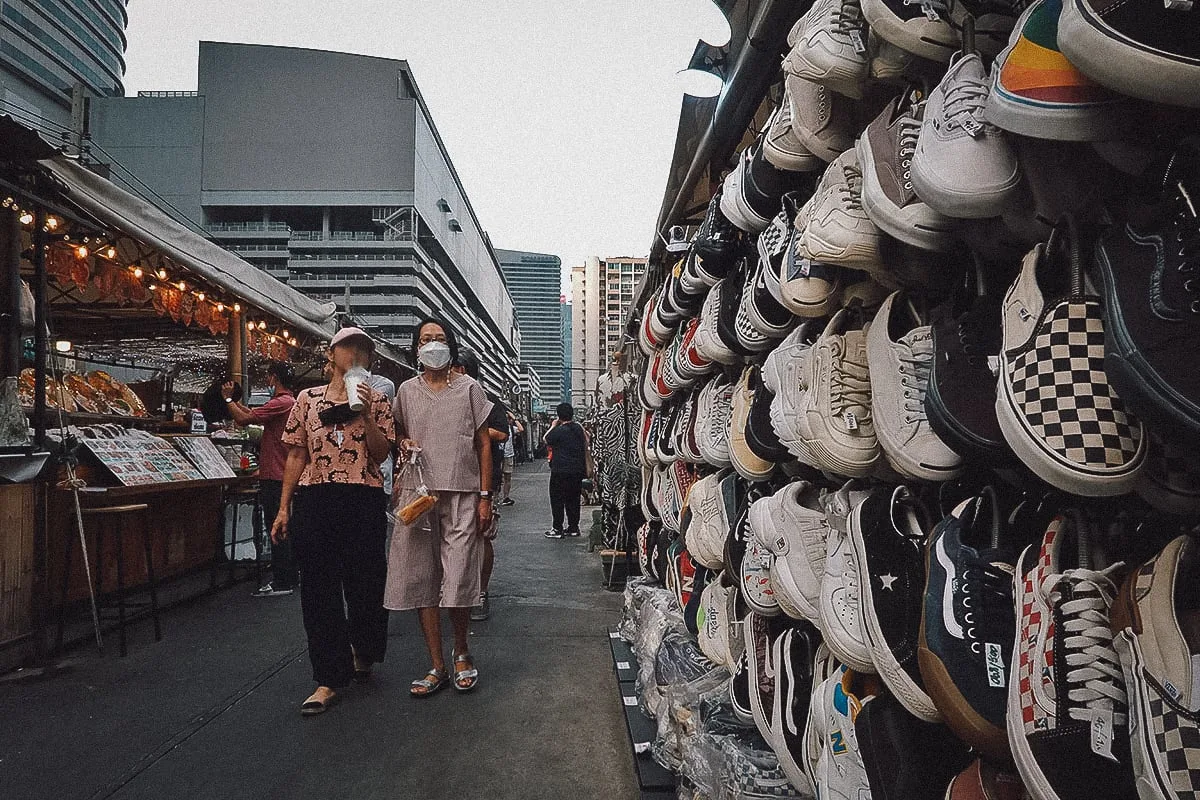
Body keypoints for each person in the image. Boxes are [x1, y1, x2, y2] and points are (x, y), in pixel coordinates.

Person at [271, 327, 395, 716]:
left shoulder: (377, 399)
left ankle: (365, 649)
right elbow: (295, 455)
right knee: (319, 588)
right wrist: (283, 507)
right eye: (349, 346)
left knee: (367, 581)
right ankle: (327, 677)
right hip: (317, 497)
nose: (356, 353)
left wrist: (366, 415)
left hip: (363, 495)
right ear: (332, 353)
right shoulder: (307, 400)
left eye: (364, 349)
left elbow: (380, 453)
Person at [386, 318, 494, 696]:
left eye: (440, 339)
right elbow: (397, 430)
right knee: (420, 577)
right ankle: (436, 664)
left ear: (452, 346)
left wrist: (485, 497)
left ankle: (461, 651)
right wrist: (403, 442)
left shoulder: (469, 388)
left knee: (461, 574)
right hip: (418, 496)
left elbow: (483, 444)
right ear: (416, 348)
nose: (433, 345)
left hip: (463, 493)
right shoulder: (406, 391)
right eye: (426, 339)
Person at [221, 363, 297, 597]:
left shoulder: (281, 403)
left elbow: (244, 420)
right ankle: (289, 576)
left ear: (274, 378)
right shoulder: (287, 403)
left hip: (275, 475)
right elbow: (252, 415)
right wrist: (236, 401)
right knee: (282, 527)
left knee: (276, 527)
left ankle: (283, 580)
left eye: (268, 376)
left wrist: (227, 400)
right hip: (280, 473)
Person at [451, 350, 507, 622]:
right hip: (449, 477)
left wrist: (474, 431)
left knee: (482, 535)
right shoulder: (443, 399)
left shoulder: (488, 400)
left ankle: (481, 592)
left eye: (458, 368)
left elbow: (502, 432)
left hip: (483, 479)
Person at [543, 402, 589, 539]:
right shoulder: (578, 429)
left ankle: (557, 528)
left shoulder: (558, 431)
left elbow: (546, 439)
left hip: (560, 470)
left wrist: (553, 425)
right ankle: (573, 528)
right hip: (577, 471)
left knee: (557, 499)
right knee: (573, 499)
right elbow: (587, 440)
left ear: (559, 415)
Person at [499, 412, 523, 506]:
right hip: (499, 455)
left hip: (509, 455)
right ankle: (495, 499)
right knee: (497, 478)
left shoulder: (512, 429)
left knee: (507, 477)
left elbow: (521, 429)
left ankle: (506, 497)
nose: (507, 420)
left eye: (508, 419)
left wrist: (515, 419)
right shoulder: (498, 427)